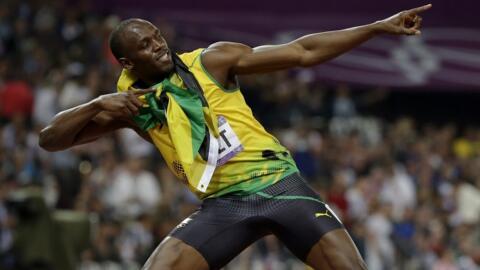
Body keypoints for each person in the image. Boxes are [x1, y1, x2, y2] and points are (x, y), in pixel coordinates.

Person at [39, 4, 431, 270]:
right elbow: (51, 139)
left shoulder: (213, 61)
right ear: (127, 63)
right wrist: (95, 106)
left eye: (157, 37)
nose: (158, 46)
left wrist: (377, 28)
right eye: (145, 45)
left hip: (282, 187)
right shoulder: (134, 106)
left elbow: (302, 52)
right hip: (224, 206)